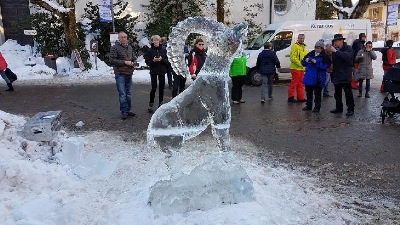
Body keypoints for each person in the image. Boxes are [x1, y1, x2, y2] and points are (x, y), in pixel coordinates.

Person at [109, 31, 137, 120]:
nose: (124, 39)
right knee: (122, 94)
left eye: (125, 37)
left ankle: (128, 110)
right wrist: (125, 62)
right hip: (120, 74)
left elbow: (134, 58)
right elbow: (112, 60)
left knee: (128, 94)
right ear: (119, 38)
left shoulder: (130, 47)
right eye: (122, 37)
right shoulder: (114, 48)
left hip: (129, 73)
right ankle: (124, 111)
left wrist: (134, 63)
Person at [301, 39, 331, 113]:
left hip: (318, 78)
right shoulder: (310, 54)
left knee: (317, 94)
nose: (316, 49)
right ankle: (309, 105)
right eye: (315, 47)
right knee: (309, 93)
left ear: (321, 48)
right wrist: (306, 60)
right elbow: (303, 62)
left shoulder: (325, 57)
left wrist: (316, 62)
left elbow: (325, 66)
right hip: (309, 77)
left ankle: (317, 107)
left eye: (318, 48)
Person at [329, 34, 355, 116]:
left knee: (348, 93)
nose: (335, 43)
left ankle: (350, 109)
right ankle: (339, 108)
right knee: (337, 93)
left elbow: (346, 57)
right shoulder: (335, 50)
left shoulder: (348, 48)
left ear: (341, 41)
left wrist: (336, 52)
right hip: (336, 74)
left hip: (345, 74)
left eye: (336, 41)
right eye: (334, 42)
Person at [144, 35, 170, 113]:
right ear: (152, 41)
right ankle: (150, 104)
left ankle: (160, 104)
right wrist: (153, 61)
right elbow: (147, 62)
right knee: (154, 88)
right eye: (154, 40)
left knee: (161, 88)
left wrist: (162, 59)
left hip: (162, 71)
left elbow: (168, 62)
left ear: (159, 41)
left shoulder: (164, 50)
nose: (155, 42)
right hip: (154, 71)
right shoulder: (149, 51)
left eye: (157, 40)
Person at [288, 34, 307, 103]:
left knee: (300, 83)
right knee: (294, 83)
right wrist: (301, 64)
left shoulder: (303, 47)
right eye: (301, 38)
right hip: (295, 68)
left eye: (303, 38)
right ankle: (290, 97)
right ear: (298, 38)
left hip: (301, 68)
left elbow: (304, 57)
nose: (302, 39)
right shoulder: (295, 46)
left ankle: (300, 98)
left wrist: (305, 64)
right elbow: (293, 58)